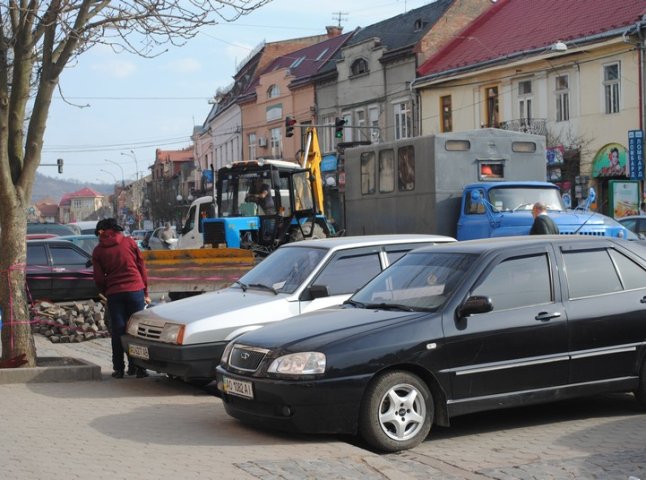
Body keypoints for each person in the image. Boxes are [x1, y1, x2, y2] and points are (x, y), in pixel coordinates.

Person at [92, 218, 151, 379]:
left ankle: (119, 369)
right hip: (135, 290)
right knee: (136, 331)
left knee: (118, 330)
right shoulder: (130, 242)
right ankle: (139, 368)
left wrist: (108, 290)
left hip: (115, 294)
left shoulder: (98, 251)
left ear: (101, 232)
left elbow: (98, 278)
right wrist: (145, 291)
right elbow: (141, 267)